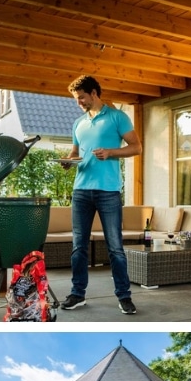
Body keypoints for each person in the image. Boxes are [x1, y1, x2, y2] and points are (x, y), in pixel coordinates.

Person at [60, 75, 143, 315]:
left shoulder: (118, 117)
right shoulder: (78, 123)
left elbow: (136, 147)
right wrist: (68, 161)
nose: (79, 103)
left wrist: (111, 152)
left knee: (115, 247)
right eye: (76, 100)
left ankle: (124, 296)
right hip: (81, 190)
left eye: (81, 98)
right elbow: (76, 153)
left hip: (108, 191)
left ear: (94, 93)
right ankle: (77, 294)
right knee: (78, 246)